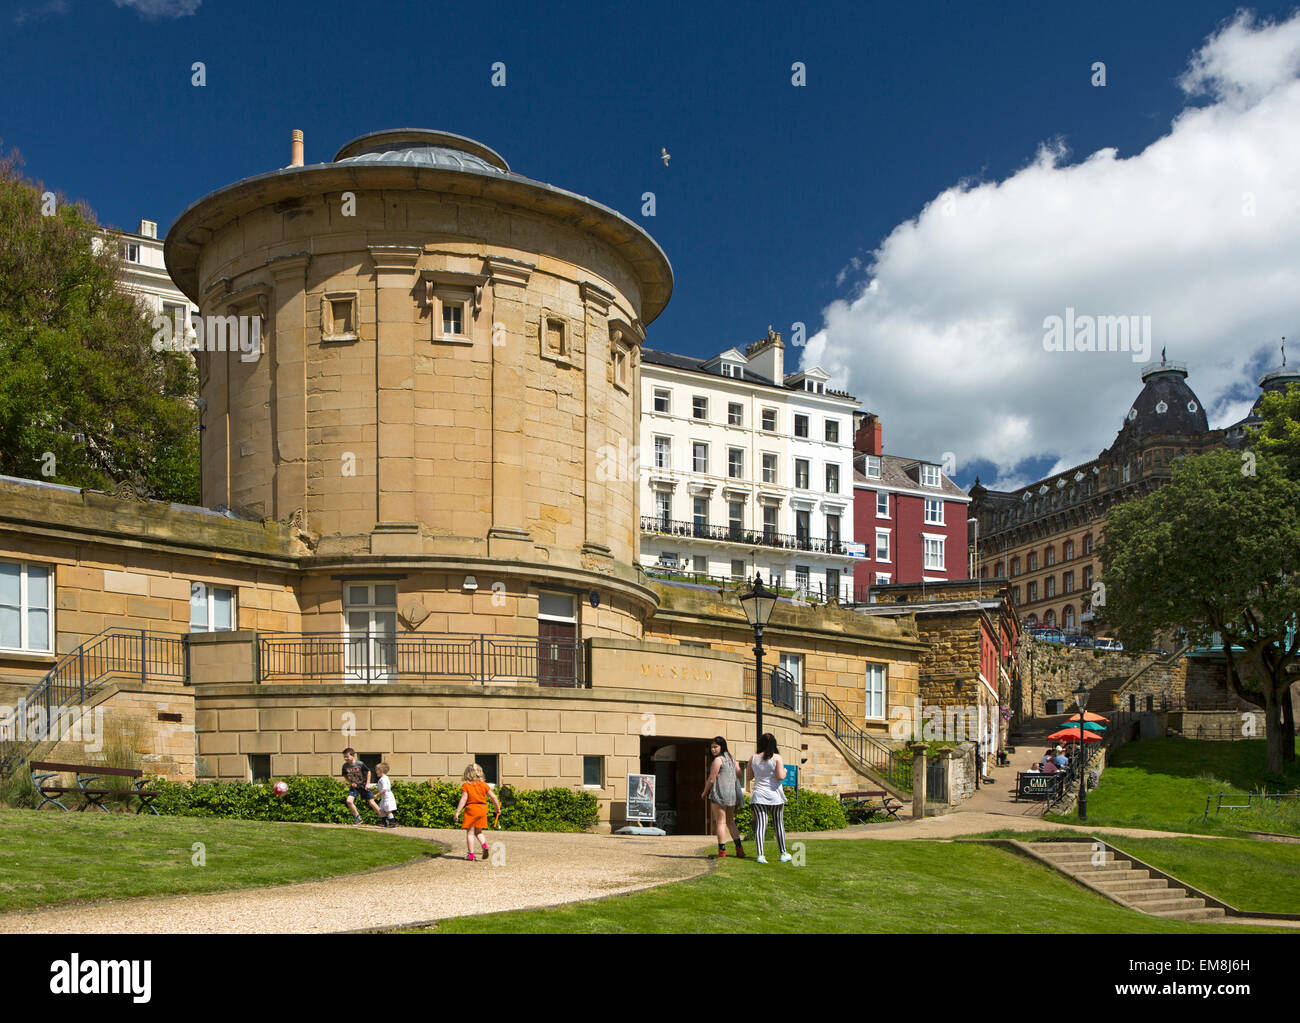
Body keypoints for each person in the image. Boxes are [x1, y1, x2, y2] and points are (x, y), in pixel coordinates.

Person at [746, 732, 791, 864]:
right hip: (775, 795)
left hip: (759, 795)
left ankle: (760, 855)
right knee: (779, 824)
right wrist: (786, 771)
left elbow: (749, 777)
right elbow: (780, 776)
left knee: (761, 825)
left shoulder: (752, 758)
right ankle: (783, 853)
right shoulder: (777, 758)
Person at [700, 736, 745, 858]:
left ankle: (722, 851)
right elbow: (740, 774)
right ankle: (739, 849)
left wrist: (704, 793)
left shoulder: (718, 760)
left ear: (722, 746)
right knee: (730, 822)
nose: (713, 749)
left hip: (719, 794)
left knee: (720, 822)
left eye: (716, 747)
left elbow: (711, 779)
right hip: (732, 795)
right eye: (712, 747)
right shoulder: (732, 759)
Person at [454, 762, 501, 861]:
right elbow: (493, 797)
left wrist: (458, 812)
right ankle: (484, 845)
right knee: (479, 831)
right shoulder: (483, 785)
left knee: (470, 833)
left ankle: (471, 854)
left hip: (471, 809)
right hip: (482, 809)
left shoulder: (466, 786)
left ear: (467, 774)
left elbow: (463, 799)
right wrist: (497, 808)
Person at [342, 747, 381, 825]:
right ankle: (358, 818)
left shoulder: (360, 764)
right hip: (354, 787)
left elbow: (369, 772)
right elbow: (345, 775)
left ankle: (384, 818)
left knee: (372, 802)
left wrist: (367, 783)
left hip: (363, 785)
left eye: (347, 756)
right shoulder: (345, 766)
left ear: (353, 756)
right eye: (344, 757)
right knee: (349, 801)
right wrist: (350, 783)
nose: (345, 758)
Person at [373, 762, 397, 828]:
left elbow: (384, 789)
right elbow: (382, 788)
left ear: (381, 771)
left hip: (387, 798)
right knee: (382, 810)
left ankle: (392, 824)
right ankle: (384, 823)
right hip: (385, 798)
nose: (376, 772)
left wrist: (377, 795)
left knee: (388, 811)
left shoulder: (383, 779)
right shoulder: (384, 778)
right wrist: (376, 791)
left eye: (377, 770)